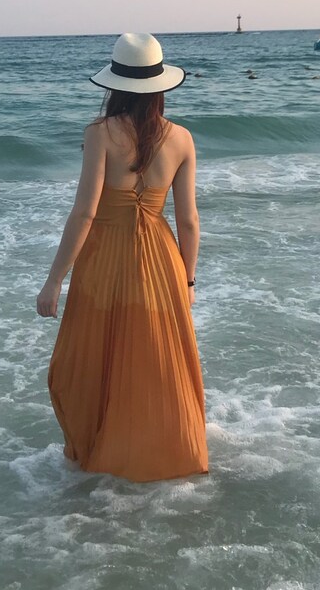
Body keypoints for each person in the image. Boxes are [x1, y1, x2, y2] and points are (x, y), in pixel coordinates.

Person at [37, 33, 208, 482]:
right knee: (155, 356)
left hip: (104, 259)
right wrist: (188, 280)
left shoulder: (99, 134)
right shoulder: (182, 139)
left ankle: (102, 459)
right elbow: (189, 221)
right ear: (160, 86)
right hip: (162, 260)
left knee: (93, 357)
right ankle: (165, 454)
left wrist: (54, 280)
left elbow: (85, 212)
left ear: (115, 85)